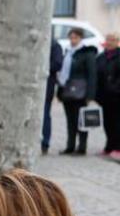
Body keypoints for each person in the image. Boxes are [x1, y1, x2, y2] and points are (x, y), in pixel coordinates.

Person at [57, 27, 97, 155]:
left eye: (76, 37)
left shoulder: (87, 53)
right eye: (71, 37)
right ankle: (70, 145)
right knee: (70, 120)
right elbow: (63, 73)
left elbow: (92, 75)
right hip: (68, 91)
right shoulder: (68, 52)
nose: (73, 40)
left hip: (81, 92)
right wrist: (60, 91)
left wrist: (90, 94)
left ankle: (82, 147)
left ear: (81, 38)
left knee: (81, 120)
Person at [96, 32, 120, 158]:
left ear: (117, 41)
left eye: (112, 40)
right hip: (104, 96)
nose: (109, 42)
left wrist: (115, 88)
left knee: (117, 122)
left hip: (117, 96)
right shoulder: (101, 57)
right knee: (107, 123)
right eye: (108, 39)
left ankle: (117, 147)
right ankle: (109, 146)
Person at [41, 38, 64, 154]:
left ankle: (45, 143)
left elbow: (57, 64)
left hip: (47, 86)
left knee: (45, 115)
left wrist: (41, 66)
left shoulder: (54, 45)